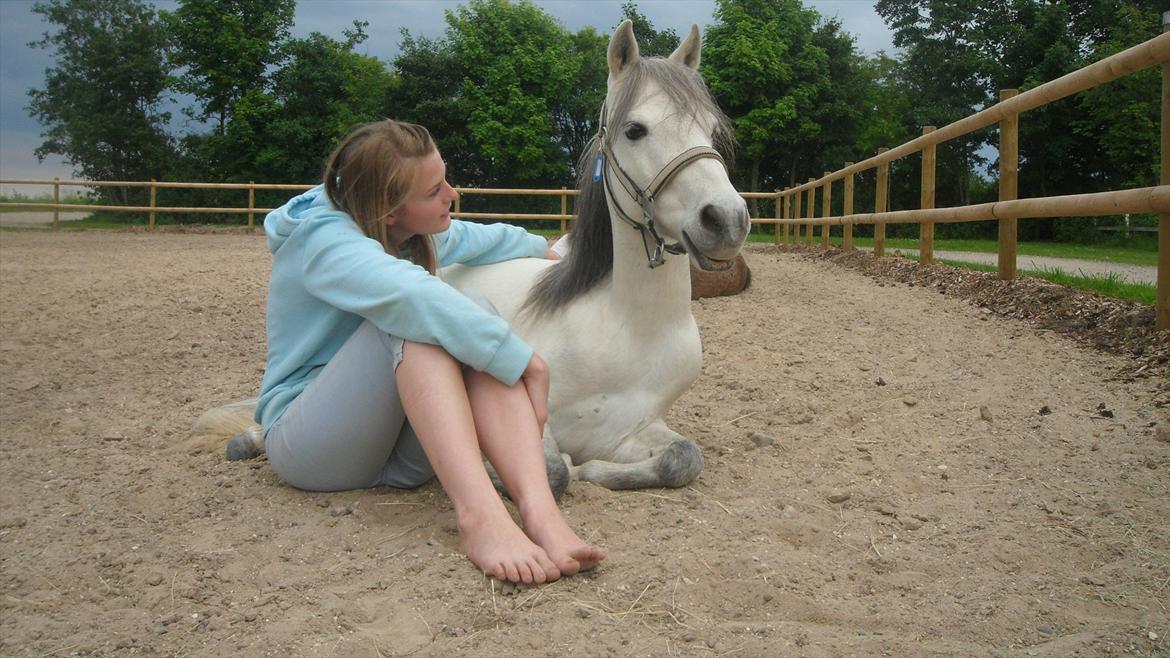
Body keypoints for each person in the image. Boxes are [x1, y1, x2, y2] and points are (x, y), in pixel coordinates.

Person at [254, 119, 605, 584]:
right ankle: (480, 519)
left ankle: (540, 513)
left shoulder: (402, 230)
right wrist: (523, 359)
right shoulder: (323, 243)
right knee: (417, 322)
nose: (452, 195)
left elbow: (475, 238)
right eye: (435, 190)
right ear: (390, 212)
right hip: (312, 448)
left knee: (468, 309)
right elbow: (408, 296)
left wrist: (540, 247)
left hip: (402, 456)